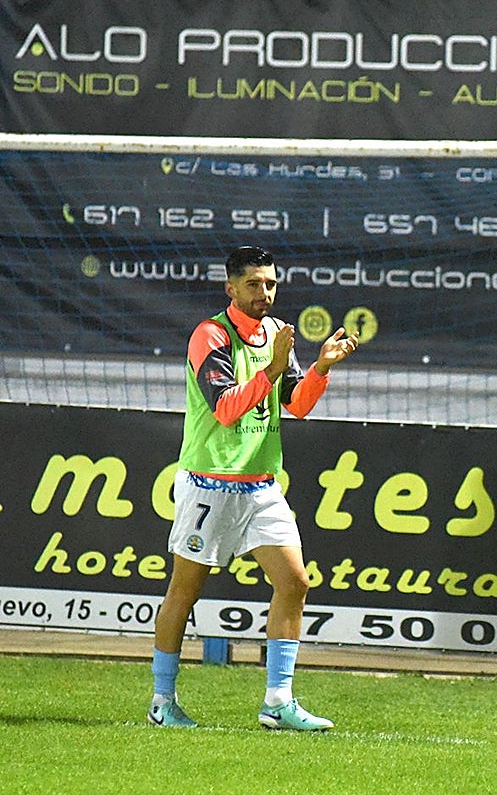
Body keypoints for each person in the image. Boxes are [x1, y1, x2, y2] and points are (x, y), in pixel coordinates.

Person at [148, 245, 359, 730]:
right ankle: (162, 700)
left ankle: (278, 702)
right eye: (254, 285)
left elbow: (297, 404)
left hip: (261, 487)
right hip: (210, 484)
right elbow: (225, 408)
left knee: (295, 582)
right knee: (184, 591)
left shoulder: (275, 336)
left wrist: (321, 366)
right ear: (231, 288)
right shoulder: (210, 335)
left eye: (270, 284)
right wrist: (272, 366)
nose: (265, 293)